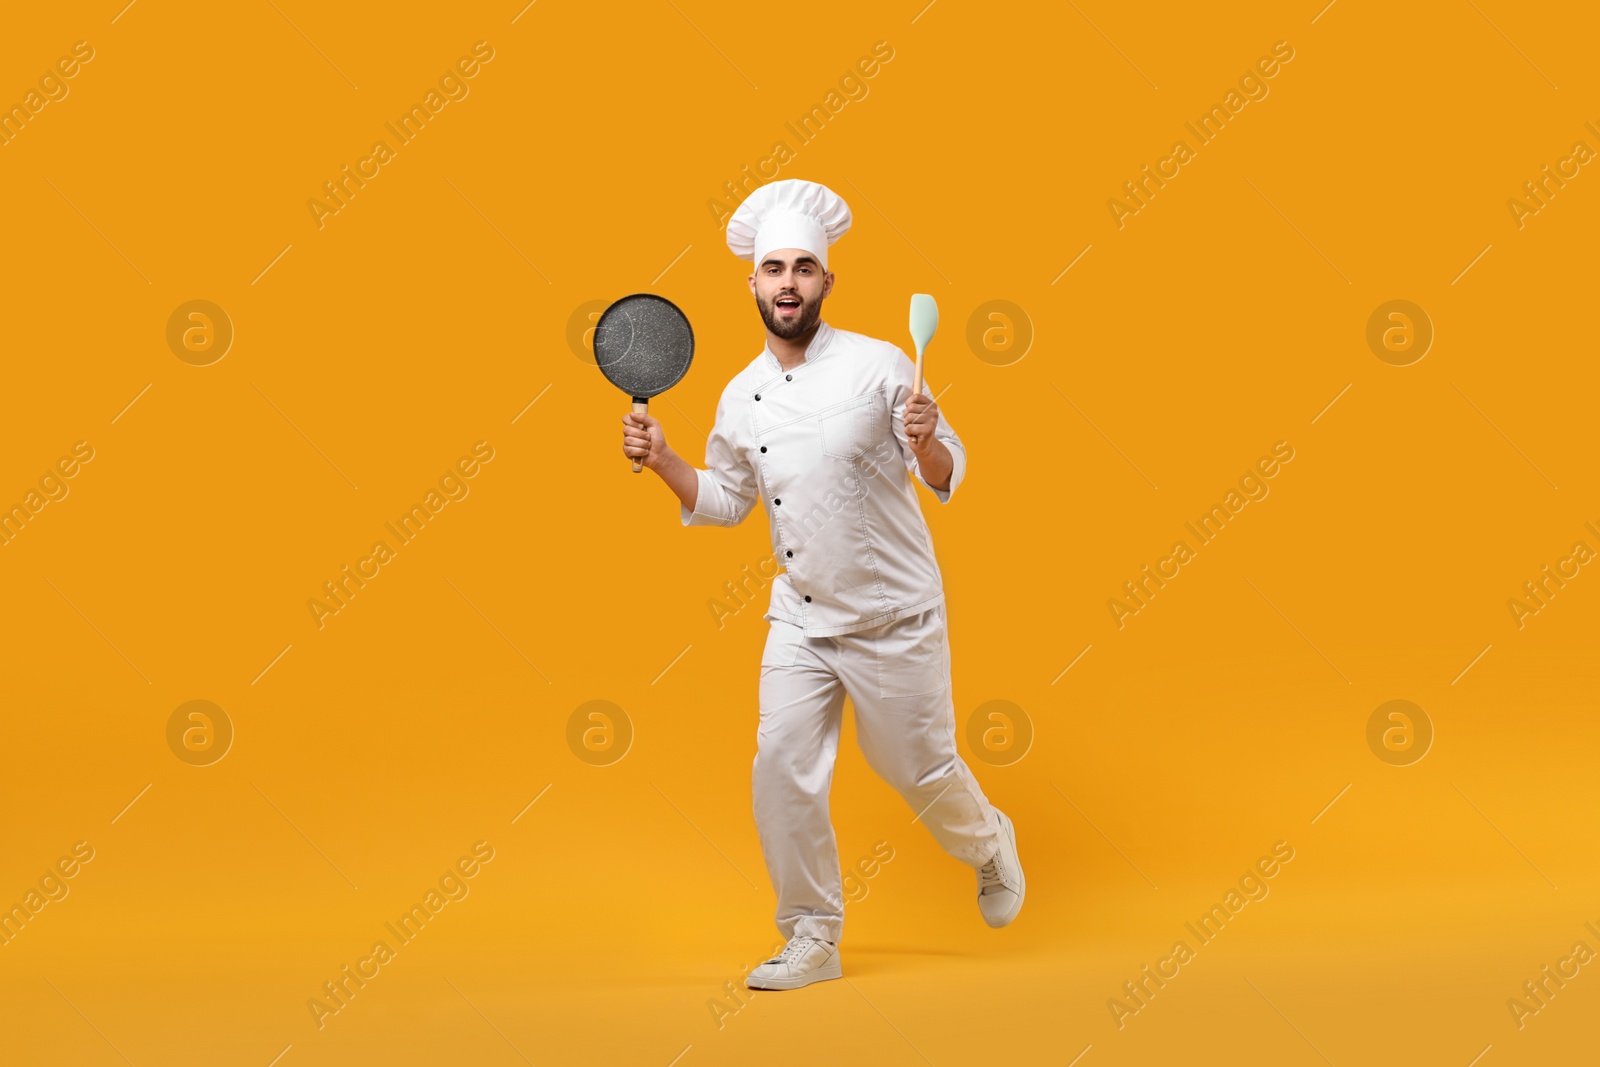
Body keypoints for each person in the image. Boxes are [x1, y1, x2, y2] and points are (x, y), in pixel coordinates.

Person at [621, 178, 1023, 991]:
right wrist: (665, 461)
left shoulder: (884, 365)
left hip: (895, 618)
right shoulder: (739, 397)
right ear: (754, 284)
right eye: (775, 269)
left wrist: (927, 440)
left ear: (827, 283)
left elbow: (947, 471)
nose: (789, 283)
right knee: (780, 767)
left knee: (920, 769)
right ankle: (812, 933)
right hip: (800, 621)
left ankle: (987, 842)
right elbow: (730, 499)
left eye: (805, 268)